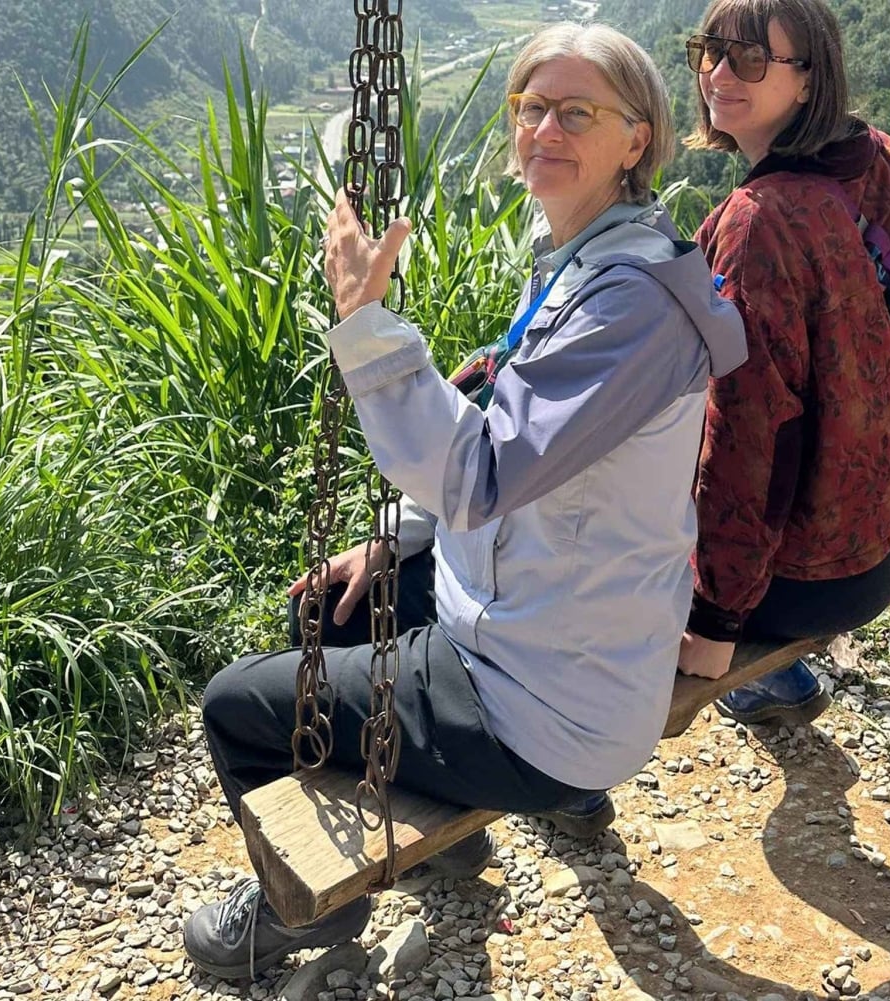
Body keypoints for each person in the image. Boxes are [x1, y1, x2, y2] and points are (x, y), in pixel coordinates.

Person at [182, 22, 745, 981]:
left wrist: (364, 321)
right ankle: (447, 835)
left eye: (577, 112)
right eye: (530, 108)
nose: (543, 131)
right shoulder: (602, 258)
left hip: (546, 700)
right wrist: (396, 537)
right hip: (560, 626)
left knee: (236, 706)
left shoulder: (627, 308)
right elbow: (524, 448)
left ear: (636, 138)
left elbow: (482, 472)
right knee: (331, 605)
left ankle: (300, 918)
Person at [671, 0, 890, 719]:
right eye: (709, 52)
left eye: (750, 60)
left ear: (809, 80)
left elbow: (751, 441)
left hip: (810, 581)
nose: (718, 74)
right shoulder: (884, 159)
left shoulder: (756, 226)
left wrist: (717, 622)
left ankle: (556, 776)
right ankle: (776, 679)